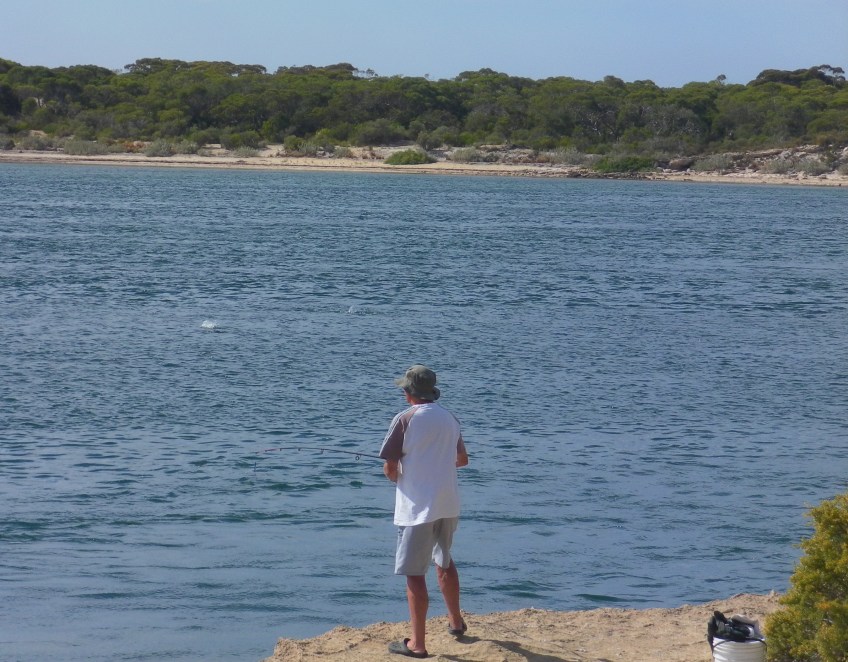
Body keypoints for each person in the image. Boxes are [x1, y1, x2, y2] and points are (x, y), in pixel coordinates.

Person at [380, 364, 469, 659]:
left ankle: (417, 645)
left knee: (414, 574)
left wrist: (400, 474)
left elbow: (390, 468)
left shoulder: (404, 419)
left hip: (417, 507)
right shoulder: (450, 418)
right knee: (444, 561)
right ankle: (456, 622)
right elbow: (462, 459)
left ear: (408, 393)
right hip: (448, 502)